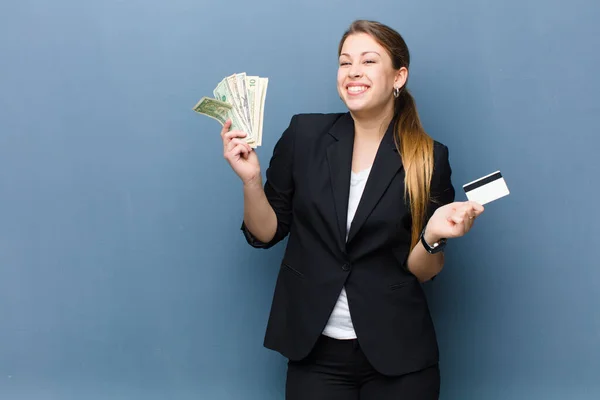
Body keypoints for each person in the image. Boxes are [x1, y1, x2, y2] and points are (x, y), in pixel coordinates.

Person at [219, 19, 484, 400]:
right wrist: (250, 181)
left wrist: (432, 237)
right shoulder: (304, 135)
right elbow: (266, 232)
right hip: (315, 354)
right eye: (345, 62)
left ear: (399, 76)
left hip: (400, 357)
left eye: (369, 61)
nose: (353, 71)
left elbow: (425, 271)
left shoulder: (429, 156)